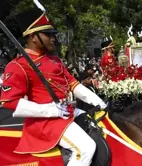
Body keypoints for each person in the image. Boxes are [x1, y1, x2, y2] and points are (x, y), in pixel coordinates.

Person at [0, 7, 107, 166]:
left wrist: (99, 102)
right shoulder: (18, 65)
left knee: (102, 126)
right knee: (86, 148)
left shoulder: (54, 60)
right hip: (45, 122)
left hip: (68, 112)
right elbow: (8, 101)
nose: (53, 38)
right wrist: (51, 110)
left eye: (53, 34)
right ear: (33, 37)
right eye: (48, 35)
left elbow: (73, 84)